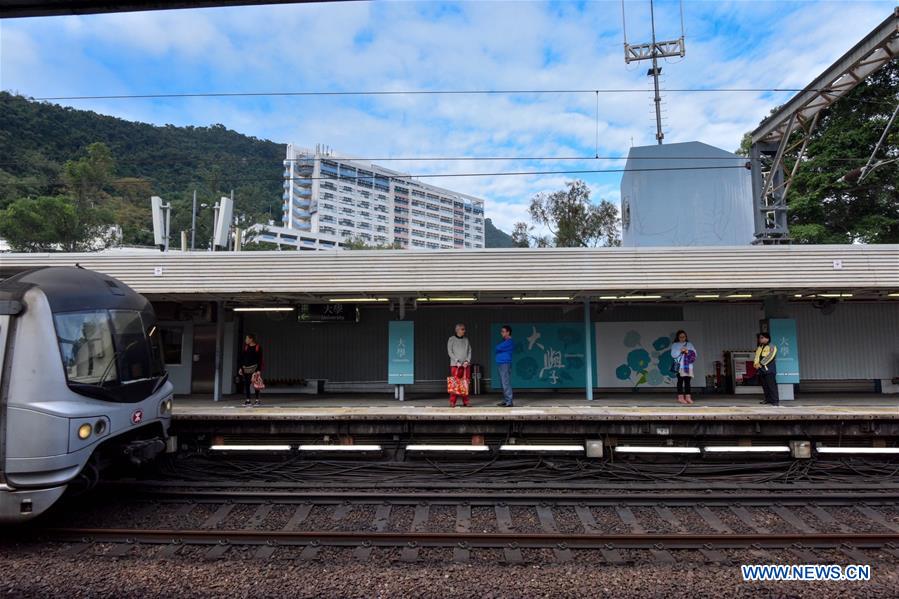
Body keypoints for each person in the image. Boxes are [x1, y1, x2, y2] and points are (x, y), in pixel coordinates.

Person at [447, 323, 472, 407]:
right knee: (455, 383)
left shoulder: (466, 340)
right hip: (455, 365)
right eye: (462, 329)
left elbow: (469, 351)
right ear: (457, 330)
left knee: (465, 383)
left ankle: (466, 402)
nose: (464, 331)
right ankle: (452, 402)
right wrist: (456, 361)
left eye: (464, 329)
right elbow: (450, 351)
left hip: (465, 365)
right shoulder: (451, 339)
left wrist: (467, 361)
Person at [670, 329, 697, 405]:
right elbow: (673, 354)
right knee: (680, 381)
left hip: (688, 366)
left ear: (686, 337)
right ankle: (680, 398)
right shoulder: (675, 345)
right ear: (678, 337)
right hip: (680, 366)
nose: (682, 338)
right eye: (680, 337)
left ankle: (688, 397)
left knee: (688, 382)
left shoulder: (689, 344)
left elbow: (694, 354)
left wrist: (687, 351)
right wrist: (680, 351)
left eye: (684, 336)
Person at [238, 333, 264, 406]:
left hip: (255, 368)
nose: (245, 340)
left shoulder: (258, 347)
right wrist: (240, 368)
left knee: (256, 384)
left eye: (247, 338)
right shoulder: (246, 347)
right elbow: (242, 358)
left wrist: (259, 370)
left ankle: (257, 400)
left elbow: (260, 359)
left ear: (251, 339)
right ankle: (248, 400)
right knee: (247, 384)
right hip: (246, 369)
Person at [754, 332, 779, 406]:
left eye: (762, 338)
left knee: (771, 386)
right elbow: (757, 356)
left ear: (767, 338)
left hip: (769, 370)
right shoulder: (759, 347)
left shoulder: (772, 346)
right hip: (761, 370)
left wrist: (760, 364)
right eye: (759, 338)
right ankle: (767, 399)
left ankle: (775, 401)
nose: (760, 339)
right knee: (765, 386)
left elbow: (770, 356)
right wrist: (755, 364)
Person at [495, 325, 514, 407]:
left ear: (508, 332)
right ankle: (506, 400)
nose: (501, 333)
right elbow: (498, 348)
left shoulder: (509, 341)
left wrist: (499, 349)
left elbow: (497, 348)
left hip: (505, 363)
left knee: (505, 382)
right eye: (501, 331)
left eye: (503, 331)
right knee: (503, 383)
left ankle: (509, 401)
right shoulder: (505, 342)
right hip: (501, 363)